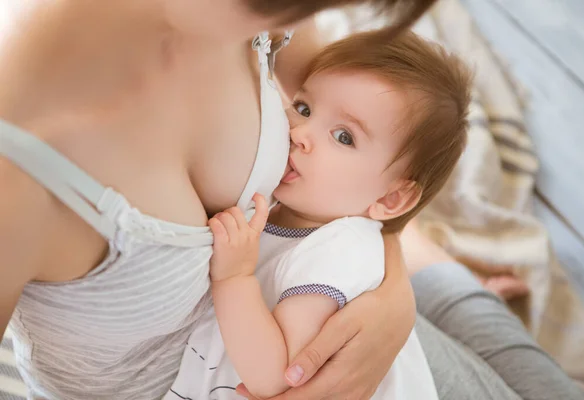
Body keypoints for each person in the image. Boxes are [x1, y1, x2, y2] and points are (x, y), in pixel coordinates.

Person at [0, 0, 584, 399]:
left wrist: (393, 284)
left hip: (348, 328)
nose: (309, 12)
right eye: (298, 111)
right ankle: (454, 284)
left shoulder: (268, 16)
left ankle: (444, 278)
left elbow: (377, 169)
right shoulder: (19, 162)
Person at [167, 30, 470, 400]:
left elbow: (276, 377)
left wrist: (235, 277)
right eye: (304, 107)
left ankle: (459, 283)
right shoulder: (294, 209)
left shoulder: (338, 255)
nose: (301, 134)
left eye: (344, 137)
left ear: (391, 198)